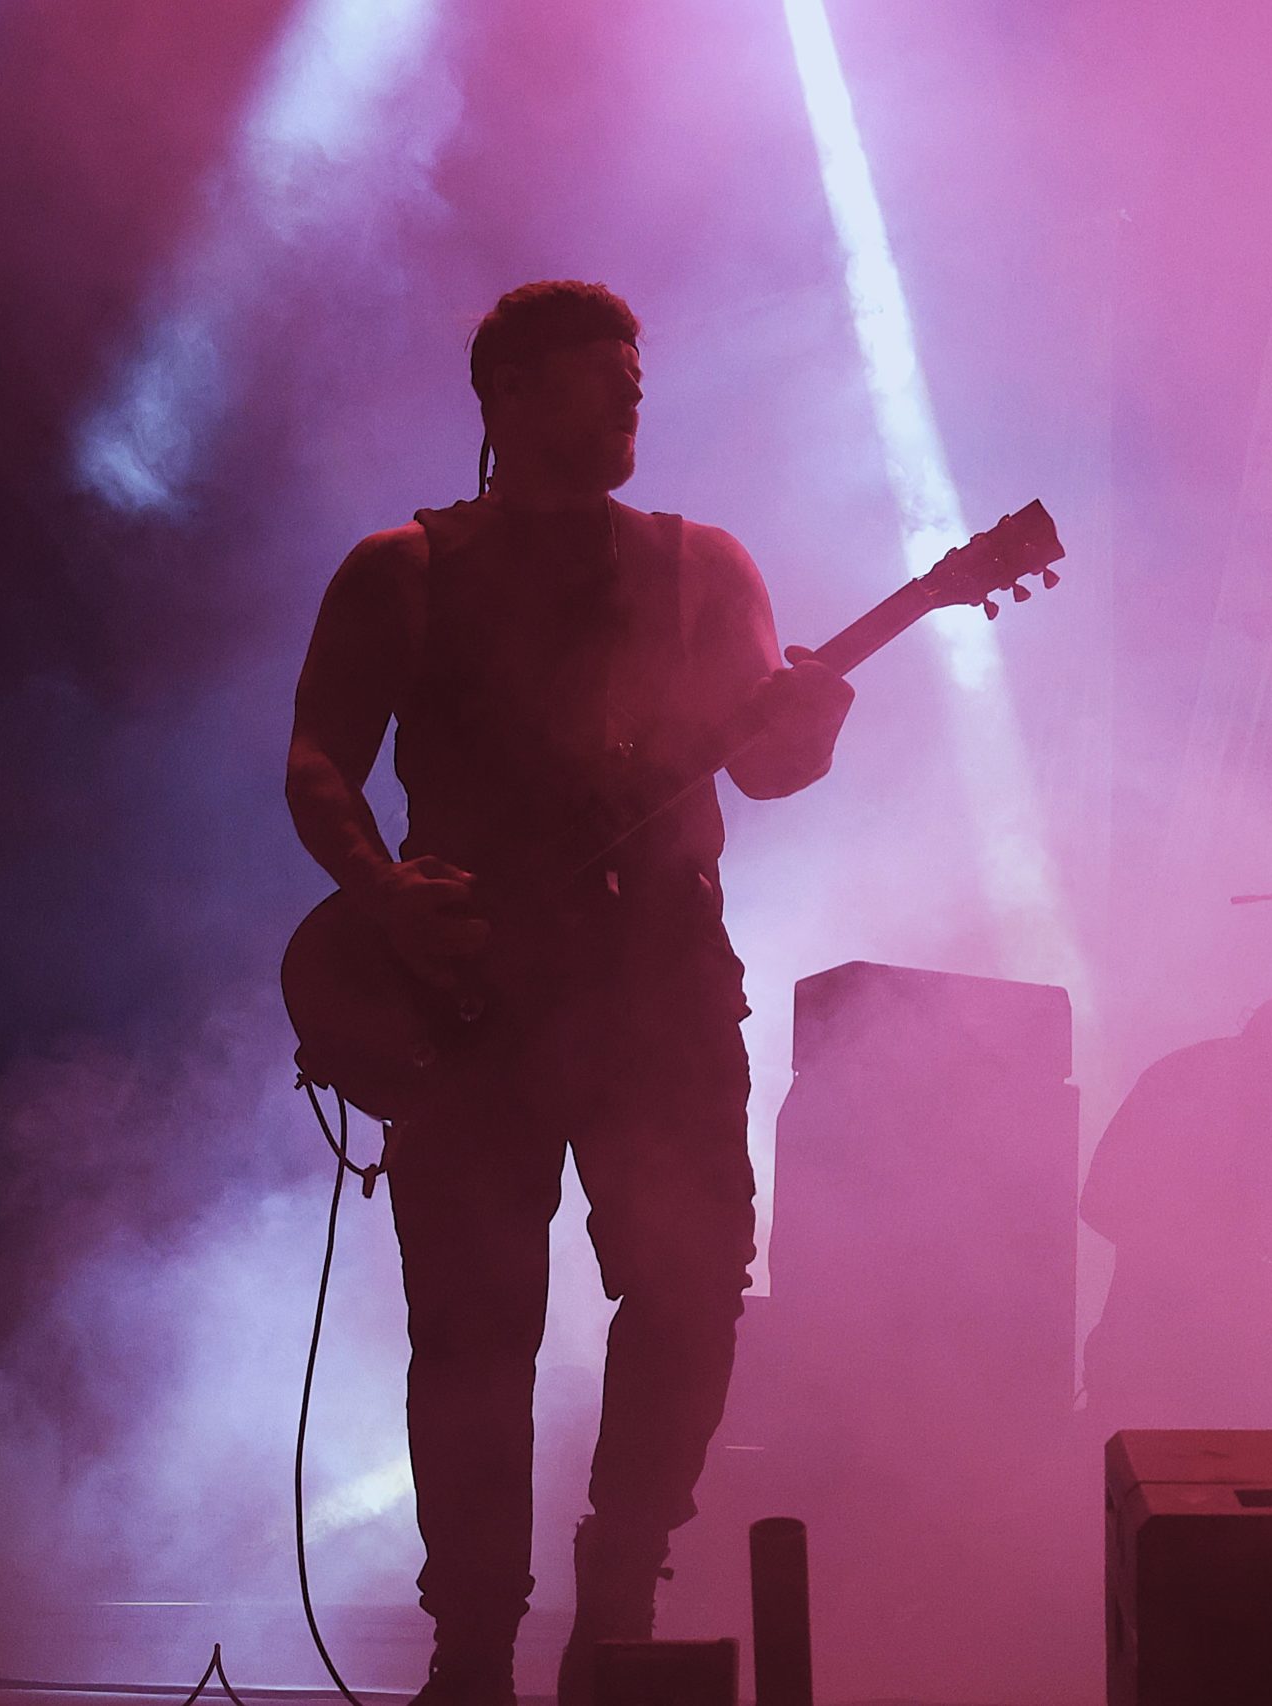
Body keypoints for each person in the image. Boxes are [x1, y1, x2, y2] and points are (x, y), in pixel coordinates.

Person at [284, 281, 854, 1706]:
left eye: (634, 377)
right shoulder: (405, 568)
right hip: (474, 1001)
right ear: (509, 398)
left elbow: (767, 765)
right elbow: (317, 755)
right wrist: (380, 890)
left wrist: (815, 722)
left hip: (661, 988)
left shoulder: (704, 568)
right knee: (473, 1331)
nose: (629, 396)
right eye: (600, 376)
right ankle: (473, 1639)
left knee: (694, 1283)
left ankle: (621, 1575)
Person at [1077, 998, 1272, 1423]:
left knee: (1137, 1419)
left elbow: (1098, 1197)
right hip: (1184, 1294)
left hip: (1161, 1290)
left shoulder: (1176, 1071)